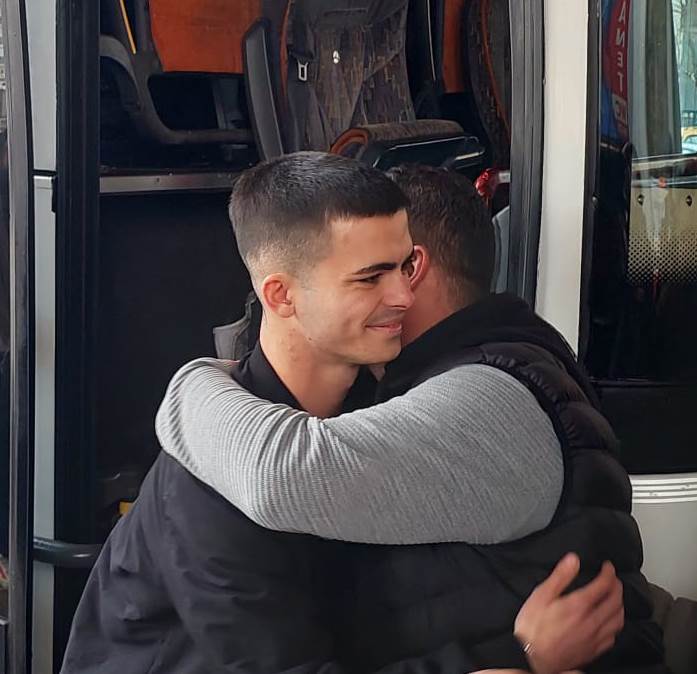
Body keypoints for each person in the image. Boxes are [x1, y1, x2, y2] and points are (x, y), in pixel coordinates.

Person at [63, 153, 626, 674]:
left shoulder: (381, 410)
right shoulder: (210, 483)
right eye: (371, 277)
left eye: (405, 266)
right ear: (281, 296)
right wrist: (520, 656)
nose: (404, 295)